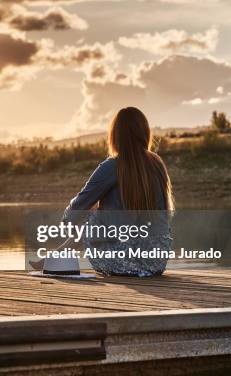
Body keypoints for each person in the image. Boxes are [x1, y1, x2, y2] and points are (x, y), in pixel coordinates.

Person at [62, 107, 175, 277]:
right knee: (99, 216)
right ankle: (57, 255)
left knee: (90, 216)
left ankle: (55, 258)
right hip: (156, 263)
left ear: (115, 135)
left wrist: (70, 220)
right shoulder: (157, 163)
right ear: (145, 133)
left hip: (122, 263)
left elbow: (75, 211)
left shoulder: (113, 166)